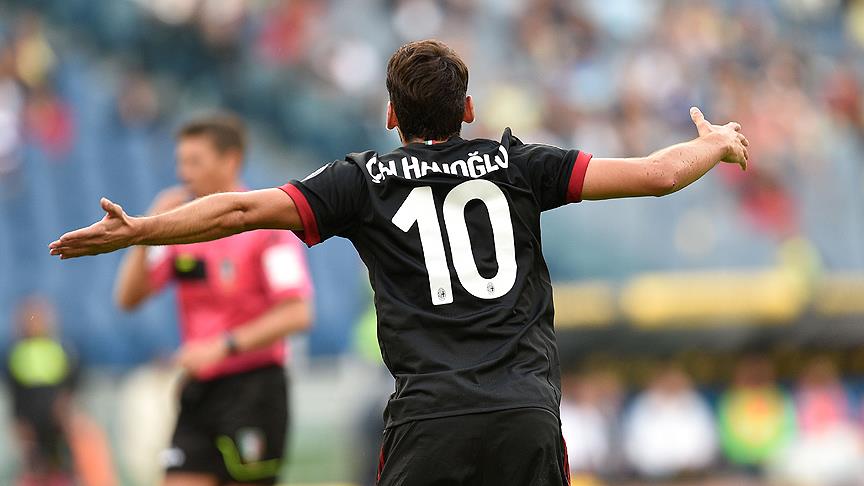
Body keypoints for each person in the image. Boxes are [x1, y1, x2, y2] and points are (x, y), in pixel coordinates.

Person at [50, 39, 749, 486]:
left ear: (391, 115)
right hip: (524, 413)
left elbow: (236, 211)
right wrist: (712, 145)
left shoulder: (362, 181)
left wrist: (141, 229)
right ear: (468, 108)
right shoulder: (520, 164)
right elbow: (657, 174)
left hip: (429, 421)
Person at [112, 115, 314, 486]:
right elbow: (128, 299)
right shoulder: (181, 231)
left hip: (253, 389)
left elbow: (298, 313)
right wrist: (145, 232)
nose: (183, 173)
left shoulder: (267, 229)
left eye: (195, 161)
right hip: (199, 389)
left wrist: (223, 346)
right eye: (181, 161)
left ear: (231, 160)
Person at [5, 296, 77, 486]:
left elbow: (68, 385)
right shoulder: (17, 353)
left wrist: (64, 410)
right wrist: (19, 422)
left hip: (55, 422)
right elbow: (16, 393)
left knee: (60, 466)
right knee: (34, 467)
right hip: (31, 423)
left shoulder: (59, 350)